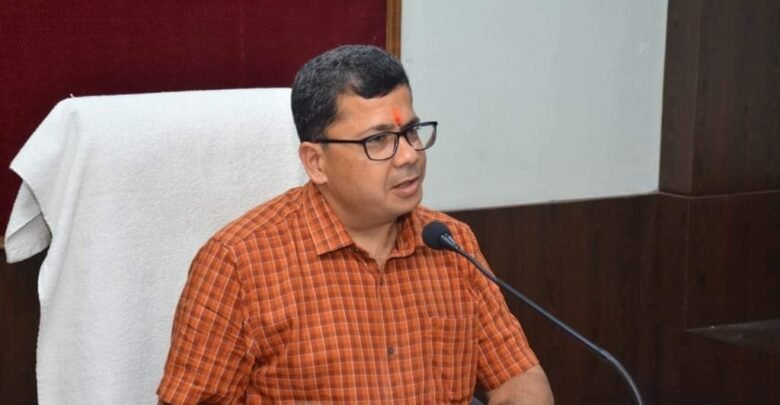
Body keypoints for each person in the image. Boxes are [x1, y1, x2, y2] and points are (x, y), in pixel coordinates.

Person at [157, 45, 553, 404]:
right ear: (316, 162)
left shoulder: (450, 242)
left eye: (411, 132)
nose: (409, 156)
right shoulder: (238, 263)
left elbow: (519, 377)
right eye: (378, 140)